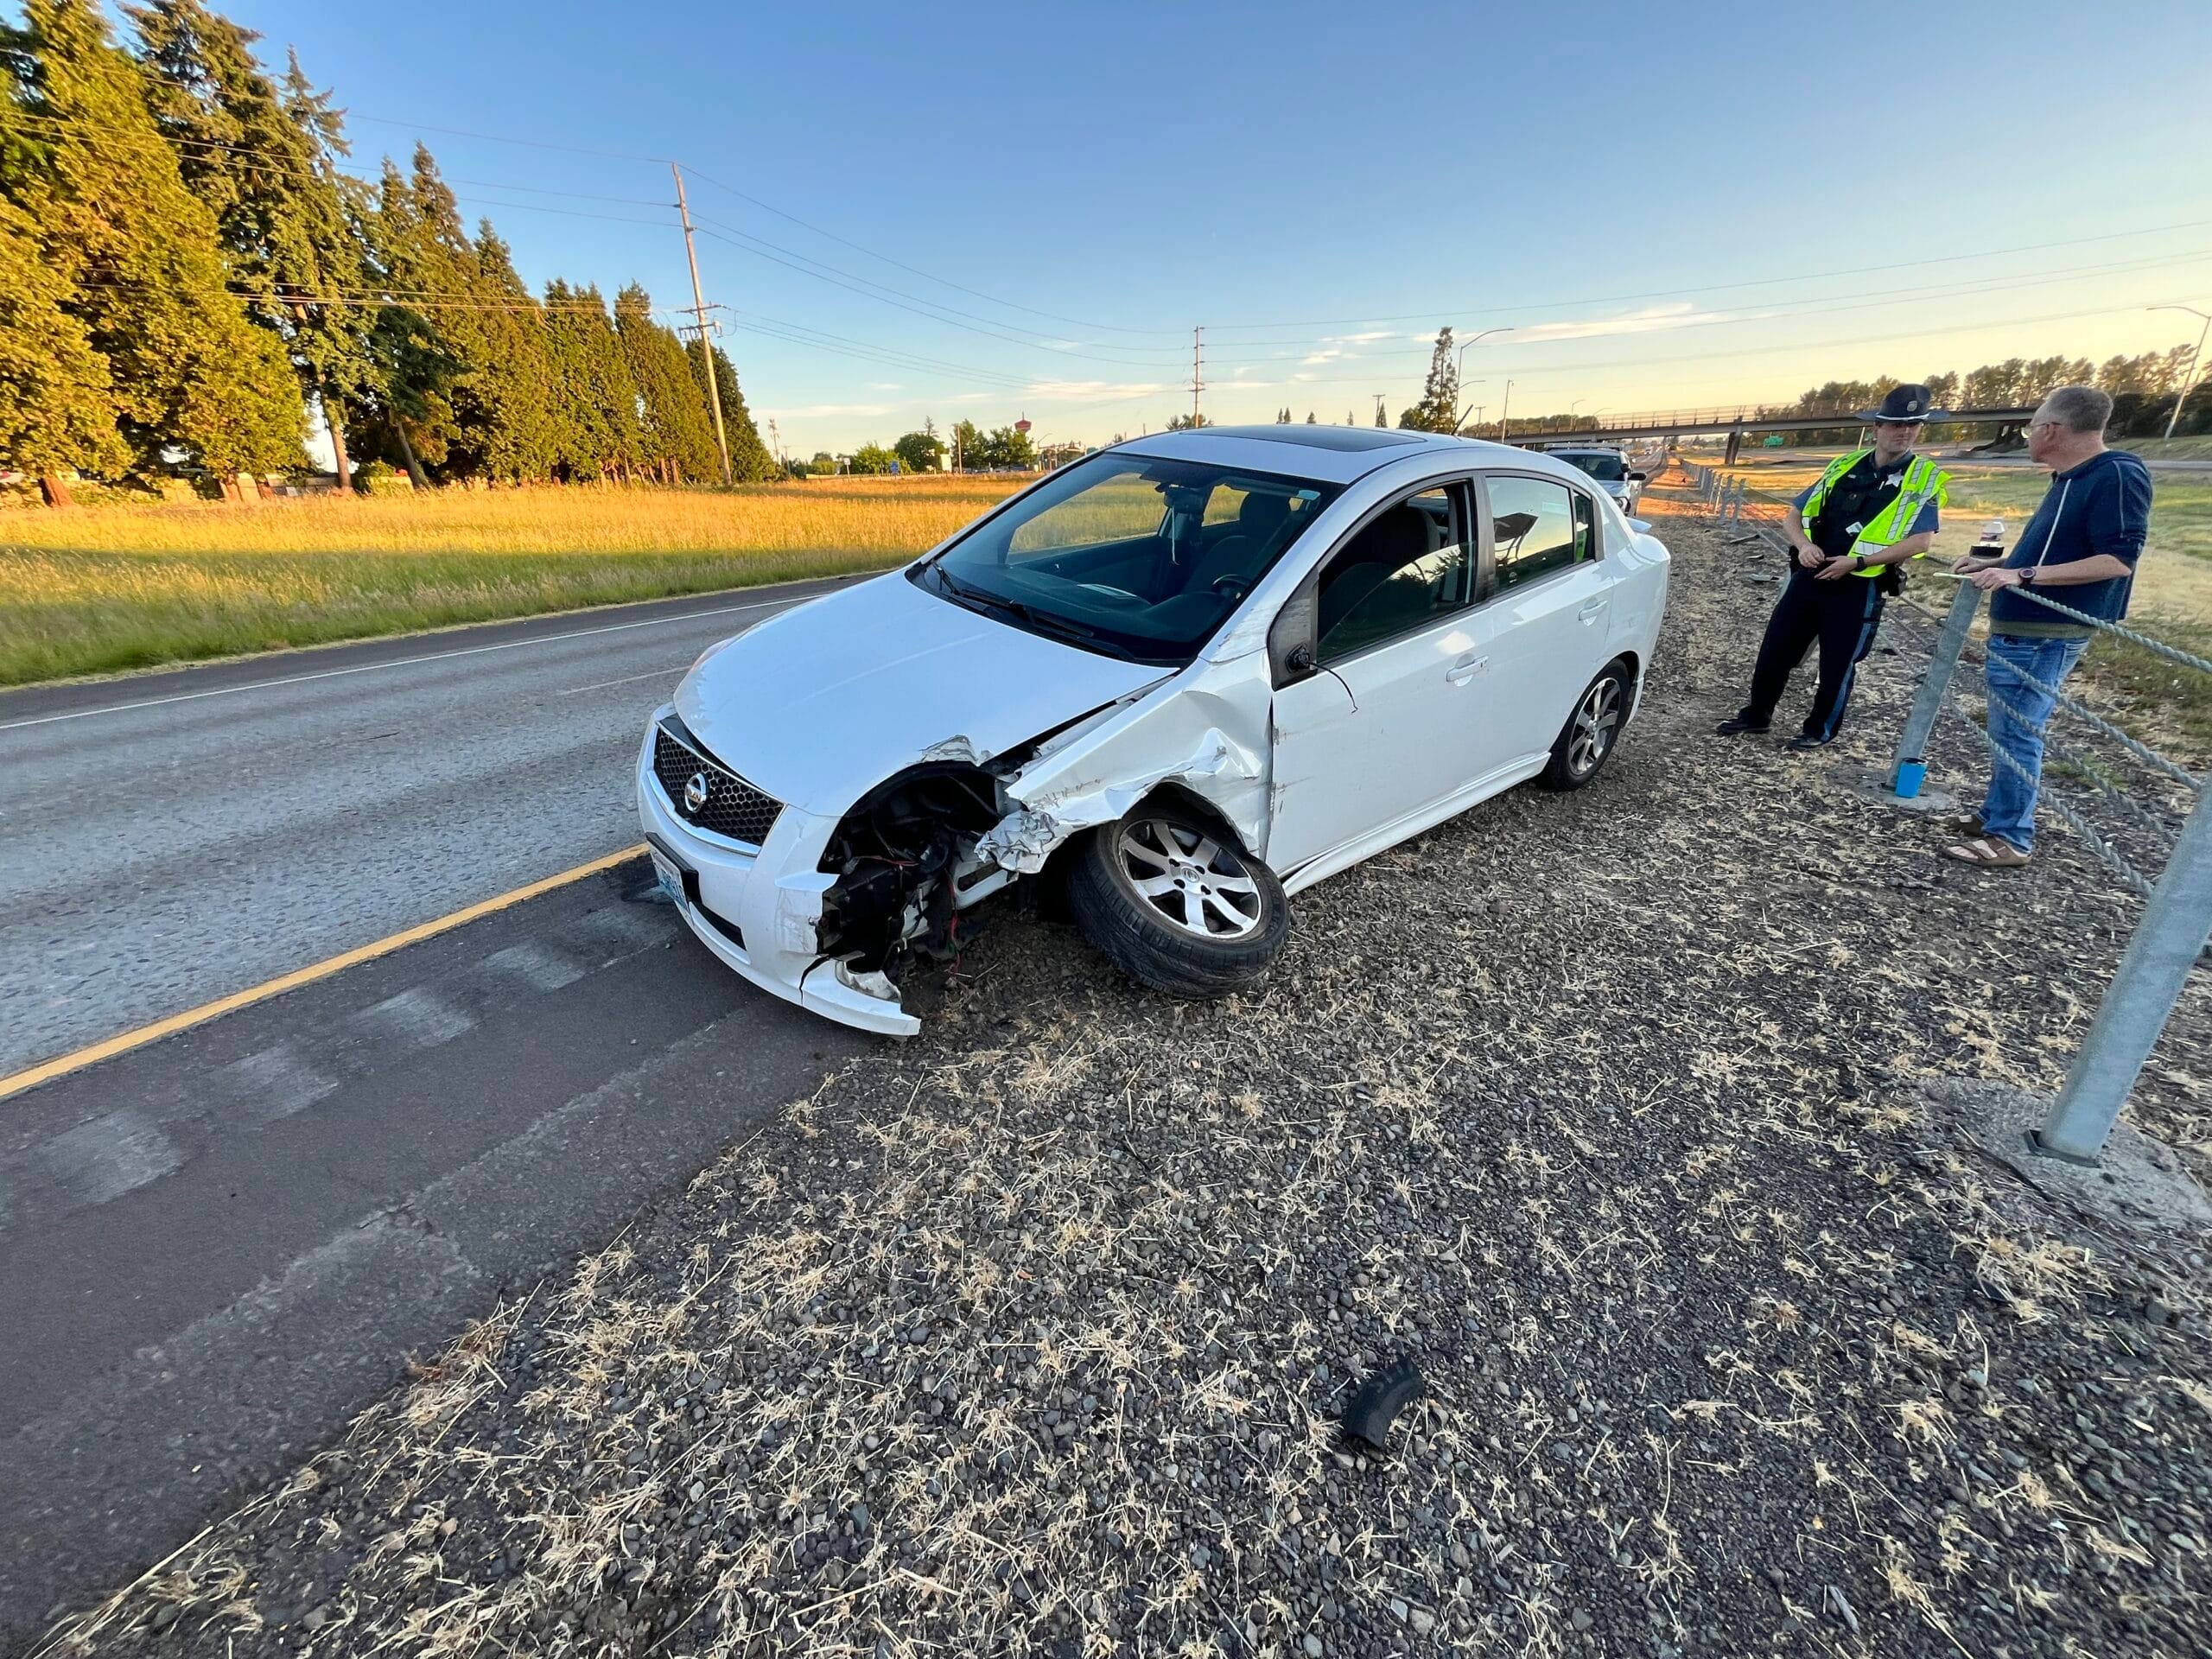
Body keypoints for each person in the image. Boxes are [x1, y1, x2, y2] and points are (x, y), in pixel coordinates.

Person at [1944, 385, 2152, 868]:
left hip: (2045, 635)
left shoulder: (2116, 474)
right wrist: (1991, 564)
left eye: (2031, 426)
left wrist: (2022, 575)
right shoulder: (2068, 479)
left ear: (2052, 430)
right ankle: (1996, 815)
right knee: (2006, 730)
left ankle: (2011, 837)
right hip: (2022, 629)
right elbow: (2049, 552)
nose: (2029, 436)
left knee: (2019, 733)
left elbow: (2117, 560)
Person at [1714, 385, 1950, 749]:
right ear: (1877, 427)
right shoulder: (1843, 466)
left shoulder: (1923, 479)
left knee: (1838, 665)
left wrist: (1857, 562)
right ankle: (1757, 715)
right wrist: (1804, 545)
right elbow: (1793, 515)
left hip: (1858, 585)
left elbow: (1921, 542)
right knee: (1775, 650)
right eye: (1895, 424)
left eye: (1913, 425)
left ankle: (1818, 731)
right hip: (1810, 575)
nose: (1904, 432)